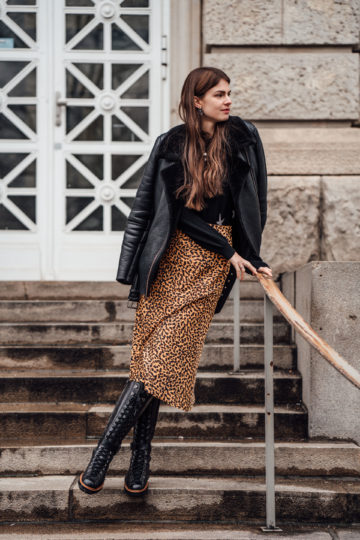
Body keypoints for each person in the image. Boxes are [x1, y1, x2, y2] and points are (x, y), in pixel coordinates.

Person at [78, 66, 272, 497]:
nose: (228, 100)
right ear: (196, 101)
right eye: (219, 94)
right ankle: (139, 463)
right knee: (151, 362)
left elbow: (255, 201)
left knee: (160, 361)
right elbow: (171, 212)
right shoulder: (172, 144)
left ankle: (100, 459)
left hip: (210, 266)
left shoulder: (243, 138)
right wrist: (131, 265)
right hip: (169, 260)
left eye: (229, 92)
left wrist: (249, 254)